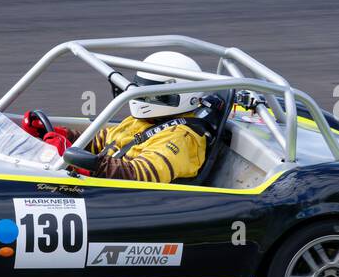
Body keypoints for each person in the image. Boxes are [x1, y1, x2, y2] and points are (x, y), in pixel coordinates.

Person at [21, 51, 208, 183]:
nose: (140, 96)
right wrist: (61, 135)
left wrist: (81, 162)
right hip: (104, 183)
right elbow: (103, 141)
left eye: (151, 92)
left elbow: (140, 175)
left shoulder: (182, 138)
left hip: (130, 199)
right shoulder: (144, 120)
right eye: (141, 87)